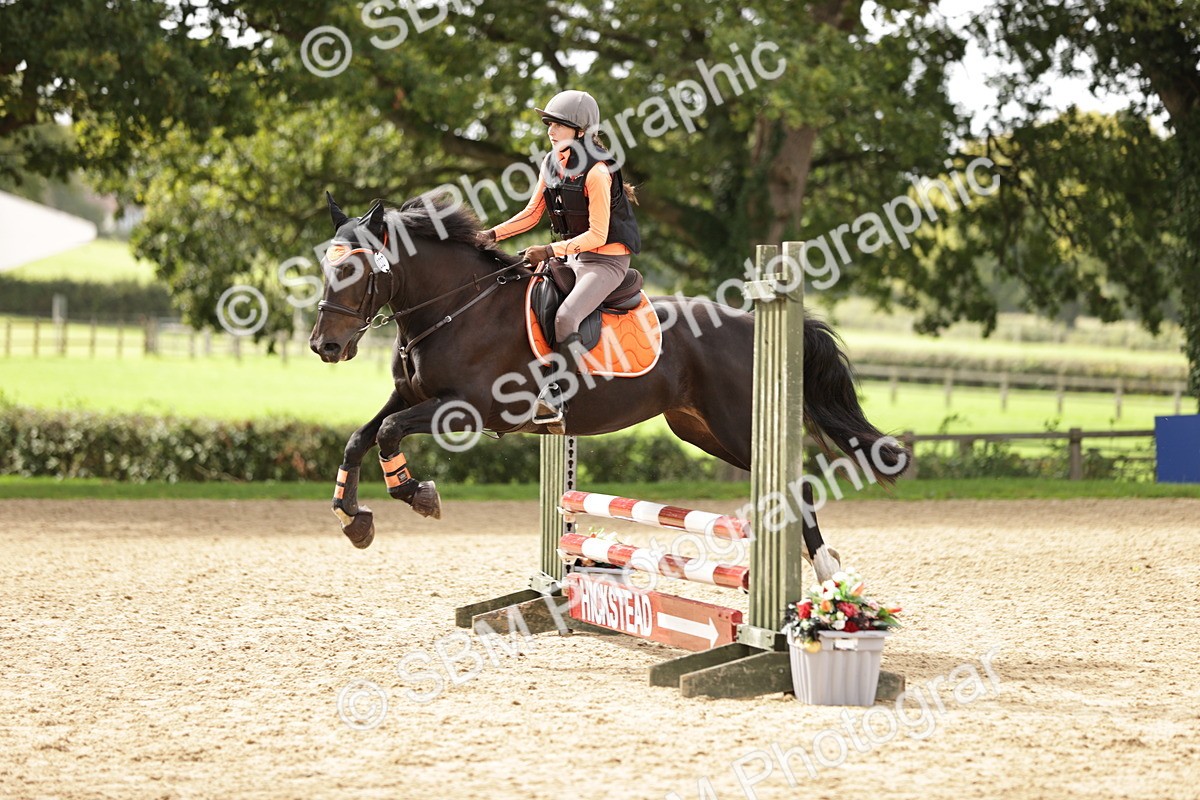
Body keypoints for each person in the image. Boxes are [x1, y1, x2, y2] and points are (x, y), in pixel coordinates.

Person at [478, 90, 641, 428]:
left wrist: (550, 251)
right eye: (549, 122)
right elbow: (530, 215)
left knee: (566, 317)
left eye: (560, 124)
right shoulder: (552, 163)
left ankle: (559, 395)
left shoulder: (598, 172)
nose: (551, 129)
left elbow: (598, 235)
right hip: (577, 258)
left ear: (580, 131)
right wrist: (490, 235)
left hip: (607, 263)